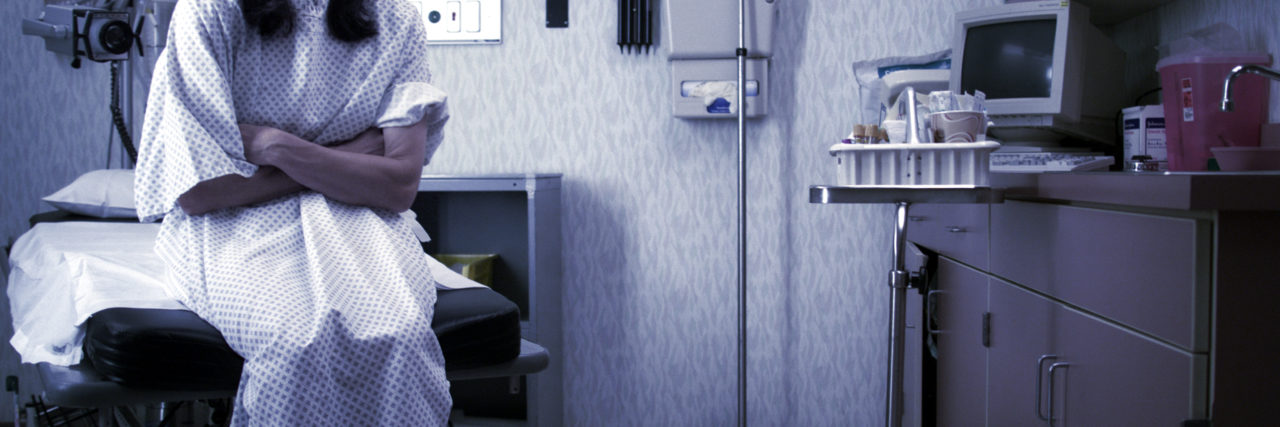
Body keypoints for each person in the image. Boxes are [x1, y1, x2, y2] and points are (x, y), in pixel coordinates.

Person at [133, 0, 452, 424]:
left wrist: (274, 147)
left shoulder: (396, 19)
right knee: (295, 341)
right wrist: (344, 159)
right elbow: (199, 192)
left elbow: (397, 187)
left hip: (359, 220)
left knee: (401, 337)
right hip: (231, 225)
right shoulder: (210, 12)